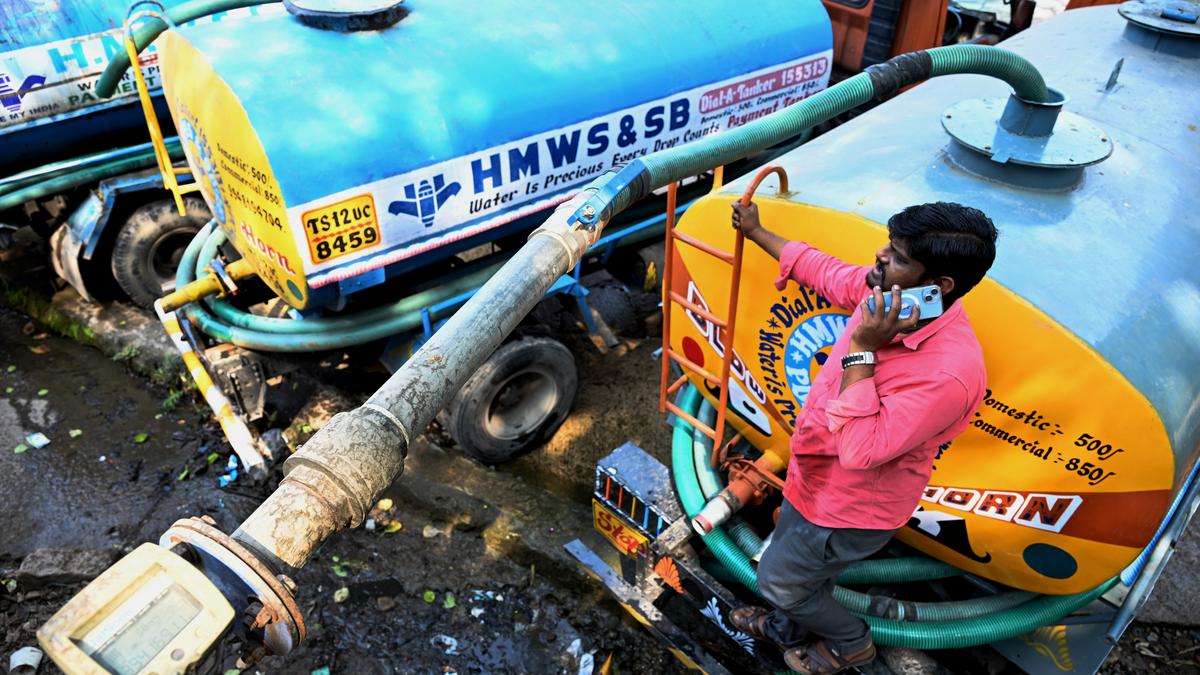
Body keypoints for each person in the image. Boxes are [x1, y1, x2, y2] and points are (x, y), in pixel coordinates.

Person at [725, 200, 998, 674]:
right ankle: (789, 628)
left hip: (846, 510)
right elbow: (825, 271)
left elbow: (859, 451)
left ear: (938, 287)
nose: (879, 257)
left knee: (779, 583)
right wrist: (757, 232)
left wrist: (862, 349)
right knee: (806, 575)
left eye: (896, 255)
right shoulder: (887, 297)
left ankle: (851, 644)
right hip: (812, 480)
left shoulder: (949, 373)